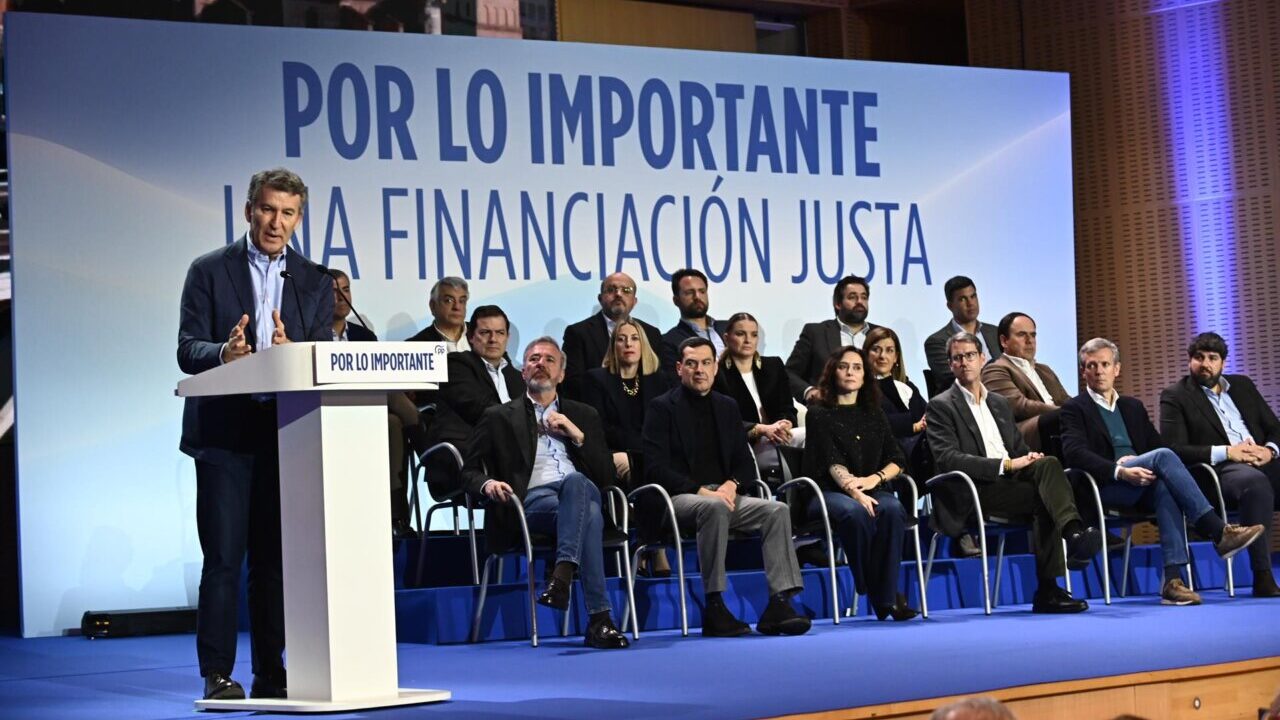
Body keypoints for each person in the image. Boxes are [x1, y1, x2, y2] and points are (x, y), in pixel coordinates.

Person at [177, 168, 333, 700]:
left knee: (273, 562)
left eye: (288, 213)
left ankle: (272, 670)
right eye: (268, 210)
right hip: (223, 436)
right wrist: (225, 352)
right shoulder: (208, 270)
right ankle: (217, 673)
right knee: (223, 558)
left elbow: (320, 354)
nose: (276, 222)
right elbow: (187, 348)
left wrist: (297, 351)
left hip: (285, 434)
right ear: (248, 211)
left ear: (299, 219)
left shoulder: (313, 280)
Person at [1061, 338, 1263, 605]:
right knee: (1164, 457)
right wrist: (1119, 470)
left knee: (1166, 485)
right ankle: (1217, 530)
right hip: (1105, 484)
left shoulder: (1132, 407)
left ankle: (1172, 580)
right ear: (1083, 371)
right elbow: (1074, 453)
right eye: (1092, 365)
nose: (1099, 371)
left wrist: (1145, 462)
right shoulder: (1074, 409)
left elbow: (1157, 447)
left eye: (1105, 364)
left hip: (1143, 482)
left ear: (1117, 369)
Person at [460, 337, 630, 649]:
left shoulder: (584, 415)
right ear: (523, 372)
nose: (541, 364)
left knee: (580, 488)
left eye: (550, 360)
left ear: (562, 374)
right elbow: (468, 471)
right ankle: (598, 618)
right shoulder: (498, 416)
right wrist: (488, 484)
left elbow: (607, 477)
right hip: (531, 504)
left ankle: (563, 579)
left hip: (578, 497)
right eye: (534, 359)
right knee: (588, 511)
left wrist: (576, 435)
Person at [642, 337, 810, 637]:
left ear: (715, 367)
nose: (699, 370)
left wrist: (733, 484)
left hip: (724, 496)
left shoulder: (726, 406)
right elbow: (655, 467)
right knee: (714, 507)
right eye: (691, 364)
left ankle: (779, 602)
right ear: (679, 368)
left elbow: (743, 461)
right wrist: (702, 491)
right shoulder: (661, 407)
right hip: (677, 499)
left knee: (776, 510)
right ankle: (715, 604)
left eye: (706, 363)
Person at [925, 332, 1099, 613]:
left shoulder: (998, 403)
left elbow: (1017, 449)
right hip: (974, 490)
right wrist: (1006, 465)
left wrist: (1027, 458)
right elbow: (948, 459)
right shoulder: (941, 406)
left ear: (982, 359)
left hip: (1010, 484)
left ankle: (1072, 534)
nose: (965, 362)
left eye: (970, 355)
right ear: (950, 365)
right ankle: (1051, 585)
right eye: (957, 358)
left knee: (1049, 465)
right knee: (1046, 499)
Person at [1159, 332, 1280, 597]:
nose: (1205, 364)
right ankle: (1262, 575)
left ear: (1223, 363)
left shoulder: (1243, 386)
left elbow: (1275, 428)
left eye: (1213, 358)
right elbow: (1174, 449)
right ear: (1190, 361)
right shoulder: (1176, 395)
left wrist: (1269, 451)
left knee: (1261, 477)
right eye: (1198, 357)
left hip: (1261, 460)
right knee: (1255, 484)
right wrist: (1228, 452)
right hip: (1218, 472)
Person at [804, 346, 917, 621]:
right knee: (855, 512)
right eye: (844, 366)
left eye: (857, 367)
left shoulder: (874, 413)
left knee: (891, 510)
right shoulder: (819, 414)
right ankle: (878, 590)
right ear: (833, 372)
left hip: (872, 485)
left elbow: (896, 458)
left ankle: (884, 595)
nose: (851, 372)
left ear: (865, 375)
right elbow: (832, 462)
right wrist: (856, 492)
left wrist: (873, 480)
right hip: (827, 491)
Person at [329, 268, 423, 538]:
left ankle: (397, 518)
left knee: (393, 423)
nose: (341, 297)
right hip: (330, 413)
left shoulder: (364, 336)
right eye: (333, 292)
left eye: (345, 290)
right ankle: (428, 449)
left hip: (366, 411)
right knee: (393, 393)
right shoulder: (310, 333)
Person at [580, 318, 673, 576]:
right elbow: (599, 427)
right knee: (642, 466)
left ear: (643, 344)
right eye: (621, 339)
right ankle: (655, 548)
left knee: (650, 466)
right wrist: (634, 453)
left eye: (634, 338)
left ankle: (646, 544)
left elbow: (662, 426)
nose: (628, 344)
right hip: (612, 453)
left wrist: (640, 452)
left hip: (646, 454)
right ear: (613, 346)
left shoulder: (658, 381)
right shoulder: (597, 379)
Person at [421, 306, 525, 500]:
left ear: (507, 337)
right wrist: (525, 422)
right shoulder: (456, 364)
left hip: (509, 454)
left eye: (500, 333)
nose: (493, 339)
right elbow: (480, 408)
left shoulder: (517, 377)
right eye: (485, 333)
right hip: (468, 459)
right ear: (470, 337)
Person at [714, 312, 803, 474]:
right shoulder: (717, 375)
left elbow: (788, 408)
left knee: (812, 434)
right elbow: (723, 421)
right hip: (746, 447)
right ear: (726, 338)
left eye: (754, 335)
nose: (748, 340)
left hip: (778, 439)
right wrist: (761, 429)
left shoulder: (774, 366)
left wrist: (785, 423)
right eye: (740, 334)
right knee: (808, 436)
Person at [561, 272, 664, 400]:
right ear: (600, 298)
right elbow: (573, 383)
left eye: (626, 290)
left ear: (634, 301)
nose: (618, 294)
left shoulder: (651, 333)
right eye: (611, 290)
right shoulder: (578, 333)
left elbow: (658, 380)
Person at [981, 312, 1070, 453]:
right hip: (1026, 434)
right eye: (1022, 335)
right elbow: (1019, 406)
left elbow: (1066, 400)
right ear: (1004, 341)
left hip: (1058, 424)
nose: (1030, 341)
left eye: (1033, 335)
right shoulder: (995, 370)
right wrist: (1067, 412)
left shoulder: (1044, 369)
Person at [785, 275, 882, 403]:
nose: (860, 301)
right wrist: (809, 391)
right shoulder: (816, 333)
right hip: (828, 408)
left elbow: (895, 373)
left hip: (874, 408)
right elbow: (789, 373)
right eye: (852, 297)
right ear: (837, 304)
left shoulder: (880, 334)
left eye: (864, 297)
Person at [866, 326, 932, 481]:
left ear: (896, 357)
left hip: (918, 448)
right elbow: (874, 422)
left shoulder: (906, 386)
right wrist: (912, 426)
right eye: (876, 349)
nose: (883, 356)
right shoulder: (860, 389)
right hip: (883, 454)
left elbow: (925, 415)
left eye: (889, 350)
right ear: (865, 354)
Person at [923, 276, 1002, 392]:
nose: (971, 303)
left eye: (973, 296)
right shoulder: (937, 341)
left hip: (1004, 399)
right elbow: (955, 379)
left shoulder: (995, 332)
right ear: (950, 306)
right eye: (962, 299)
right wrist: (1000, 377)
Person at [660, 268, 728, 371]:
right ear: (676, 300)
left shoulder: (729, 328)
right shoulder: (669, 341)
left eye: (702, 291)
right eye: (689, 292)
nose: (697, 297)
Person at [406, 277, 470, 350]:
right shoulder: (414, 346)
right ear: (433, 306)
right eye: (448, 300)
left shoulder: (481, 334)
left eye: (462, 301)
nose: (457, 307)